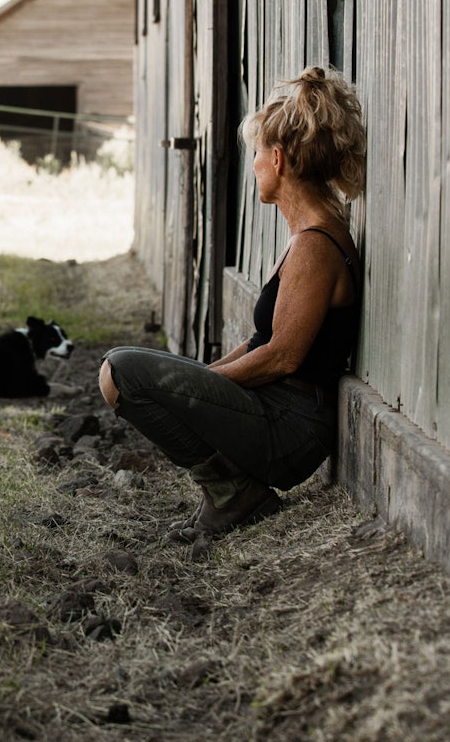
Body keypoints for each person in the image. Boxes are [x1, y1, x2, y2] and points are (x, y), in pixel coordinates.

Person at [98, 65, 366, 542]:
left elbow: (283, 355)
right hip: (276, 411)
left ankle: (235, 494)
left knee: (120, 372)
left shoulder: (315, 245)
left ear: (279, 160)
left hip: (291, 429)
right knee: (136, 373)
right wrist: (197, 380)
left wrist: (193, 389)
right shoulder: (305, 237)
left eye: (257, 154)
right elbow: (260, 340)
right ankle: (230, 493)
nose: (255, 165)